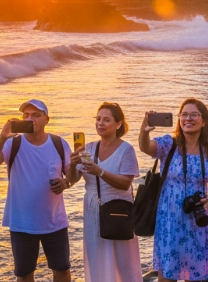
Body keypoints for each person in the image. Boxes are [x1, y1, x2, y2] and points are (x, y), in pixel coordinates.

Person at [0, 99, 73, 282]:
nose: (30, 118)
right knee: (24, 275)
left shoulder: (58, 143)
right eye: (26, 115)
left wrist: (67, 182)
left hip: (54, 221)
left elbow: (72, 174)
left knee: (62, 271)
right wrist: (2, 136)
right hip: (22, 222)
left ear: (46, 119)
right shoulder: (13, 143)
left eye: (36, 115)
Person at [138, 99, 208, 282]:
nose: (188, 118)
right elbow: (146, 147)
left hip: (198, 221)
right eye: (183, 114)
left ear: (204, 121)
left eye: (194, 114)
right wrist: (144, 131)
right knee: (167, 277)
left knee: (196, 277)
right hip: (169, 220)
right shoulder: (169, 144)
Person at [67, 102, 142, 282]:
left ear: (118, 124)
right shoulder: (89, 149)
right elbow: (72, 179)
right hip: (94, 209)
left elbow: (125, 183)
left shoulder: (126, 150)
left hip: (118, 209)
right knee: (97, 256)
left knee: (123, 261)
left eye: (106, 120)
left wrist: (99, 171)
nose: (100, 123)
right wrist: (71, 163)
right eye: (98, 119)